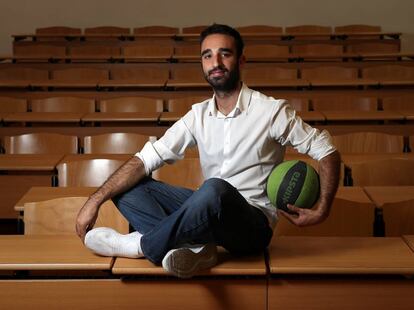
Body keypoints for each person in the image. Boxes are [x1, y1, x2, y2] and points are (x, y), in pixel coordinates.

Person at [76, 24, 341, 278]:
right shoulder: (198, 115)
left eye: (224, 54)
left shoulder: (271, 111)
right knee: (129, 187)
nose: (215, 62)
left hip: (252, 227)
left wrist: (323, 209)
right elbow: (146, 159)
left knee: (215, 188)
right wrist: (94, 200)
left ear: (241, 61)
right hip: (207, 214)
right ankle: (195, 247)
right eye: (207, 55)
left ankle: (141, 246)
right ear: (202, 64)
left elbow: (326, 150)